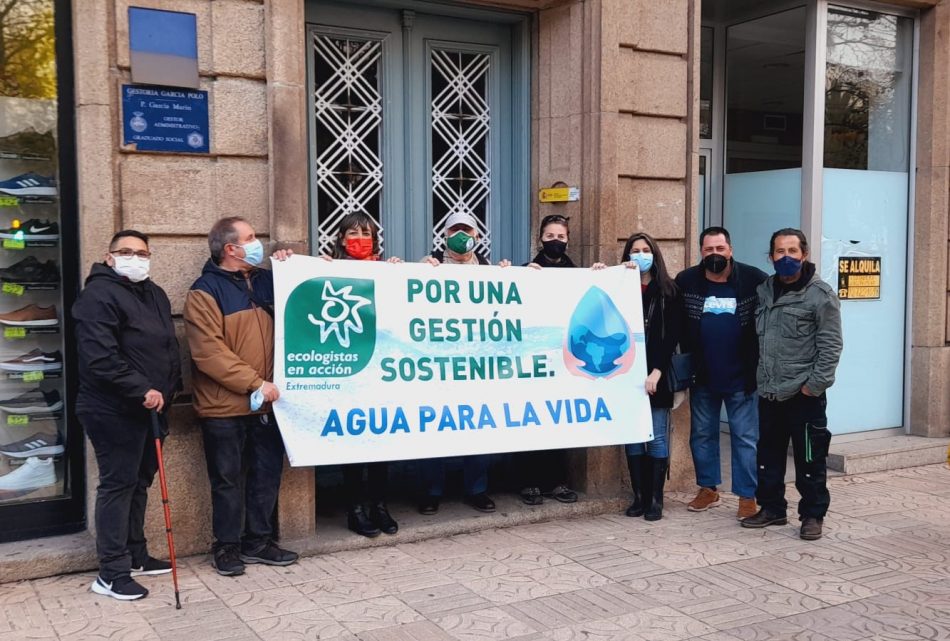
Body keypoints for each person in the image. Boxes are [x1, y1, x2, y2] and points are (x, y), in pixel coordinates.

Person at [184, 216, 298, 576]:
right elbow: (208, 353)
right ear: (230, 248)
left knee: (266, 475)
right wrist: (254, 383)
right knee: (227, 479)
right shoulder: (204, 291)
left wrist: (299, 266)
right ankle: (227, 547)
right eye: (249, 238)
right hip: (225, 407)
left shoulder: (269, 281)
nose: (256, 243)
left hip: (267, 403)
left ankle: (259, 542)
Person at [73, 230, 182, 601]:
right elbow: (100, 357)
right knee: (118, 486)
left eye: (141, 252)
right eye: (125, 252)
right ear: (109, 257)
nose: (134, 258)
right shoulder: (97, 295)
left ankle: (136, 553)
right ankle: (111, 573)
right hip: (112, 409)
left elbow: (168, 345)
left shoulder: (154, 293)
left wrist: (169, 390)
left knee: (139, 483)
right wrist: (142, 389)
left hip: (153, 409)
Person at [742, 229, 842, 540]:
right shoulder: (763, 291)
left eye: (792, 251)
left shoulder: (821, 295)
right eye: (779, 251)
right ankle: (772, 509)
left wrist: (813, 386)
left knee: (809, 459)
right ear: (771, 257)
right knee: (768, 457)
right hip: (770, 391)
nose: (786, 257)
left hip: (804, 394)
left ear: (804, 254)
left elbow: (831, 347)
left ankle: (812, 515)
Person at [675, 226, 767, 520]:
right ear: (701, 252)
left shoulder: (754, 279)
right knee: (702, 435)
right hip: (702, 377)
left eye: (720, 249)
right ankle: (708, 489)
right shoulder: (687, 280)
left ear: (731, 250)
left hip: (743, 378)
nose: (714, 255)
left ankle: (746, 496)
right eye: (708, 250)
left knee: (745, 438)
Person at [417, 212, 502, 515]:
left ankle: (476, 489)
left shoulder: (492, 269)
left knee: (478, 428)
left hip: (478, 366)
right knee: (435, 427)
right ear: (444, 233)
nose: (461, 234)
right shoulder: (430, 266)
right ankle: (431, 491)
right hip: (439, 366)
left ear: (477, 236)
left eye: (467, 229)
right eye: (455, 228)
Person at [326, 212, 402, 538]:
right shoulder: (324, 268)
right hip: (349, 370)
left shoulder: (385, 269)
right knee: (354, 443)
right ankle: (355, 509)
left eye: (367, 233)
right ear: (341, 238)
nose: (361, 238)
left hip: (382, 372)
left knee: (380, 444)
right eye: (354, 233)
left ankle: (379, 506)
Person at [517, 214, 580, 505]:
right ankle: (528, 483)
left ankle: (557, 483)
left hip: (562, 362)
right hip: (531, 360)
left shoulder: (576, 272)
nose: (556, 241)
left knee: (559, 423)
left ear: (568, 240)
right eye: (550, 236)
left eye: (561, 237)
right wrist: (514, 273)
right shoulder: (528, 270)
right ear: (540, 238)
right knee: (531, 423)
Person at [622, 232, 680, 521]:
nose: (640, 255)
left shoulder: (669, 290)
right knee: (632, 437)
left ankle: (656, 500)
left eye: (645, 250)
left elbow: (670, 337)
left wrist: (656, 371)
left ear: (654, 254)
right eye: (635, 250)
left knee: (657, 436)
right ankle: (639, 497)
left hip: (657, 374)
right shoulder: (620, 286)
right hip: (625, 375)